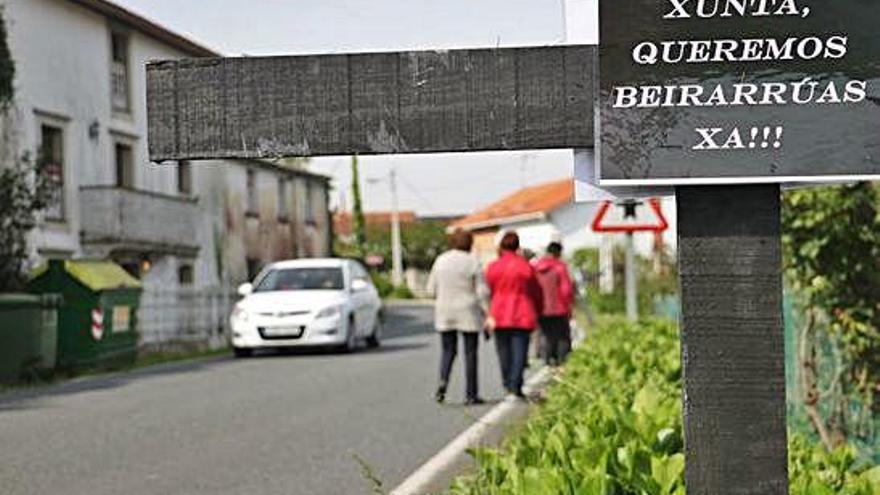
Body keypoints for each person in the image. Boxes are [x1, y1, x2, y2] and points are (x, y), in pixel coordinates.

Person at [426, 229, 489, 405]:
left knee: (448, 351)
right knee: (470, 353)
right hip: (468, 310)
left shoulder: (441, 260)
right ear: (469, 243)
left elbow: (430, 289)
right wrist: (486, 313)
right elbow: (482, 291)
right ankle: (471, 394)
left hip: (445, 311)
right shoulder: (473, 262)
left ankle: (443, 382)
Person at [485, 231, 543, 398]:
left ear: (502, 246)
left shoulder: (493, 267)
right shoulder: (525, 266)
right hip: (522, 312)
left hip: (499, 312)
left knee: (503, 352)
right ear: (518, 246)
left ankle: (507, 382)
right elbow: (535, 291)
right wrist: (538, 310)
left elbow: (488, 290)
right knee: (520, 352)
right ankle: (515, 383)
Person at [534, 242, 575, 366]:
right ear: (558, 253)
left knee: (545, 333)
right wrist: (569, 306)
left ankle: (546, 357)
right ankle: (561, 359)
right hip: (559, 308)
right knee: (562, 335)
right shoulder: (560, 267)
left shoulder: (537, 267)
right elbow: (566, 289)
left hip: (541, 308)